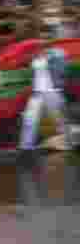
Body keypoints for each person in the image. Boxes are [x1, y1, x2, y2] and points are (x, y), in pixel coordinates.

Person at [18, 25, 75, 157]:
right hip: (37, 92)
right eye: (42, 36)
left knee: (60, 119)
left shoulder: (58, 53)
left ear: (52, 38)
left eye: (47, 36)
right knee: (29, 119)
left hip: (52, 91)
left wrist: (58, 87)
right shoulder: (36, 54)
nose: (44, 39)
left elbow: (62, 72)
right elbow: (31, 71)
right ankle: (25, 148)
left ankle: (70, 144)